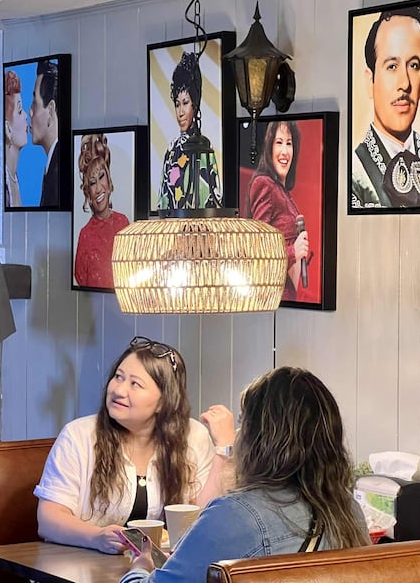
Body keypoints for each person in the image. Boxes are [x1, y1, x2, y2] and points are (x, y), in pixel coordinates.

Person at [120, 366, 371, 583]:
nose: (238, 434)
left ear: (259, 439)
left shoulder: (234, 516)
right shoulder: (348, 510)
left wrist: (140, 567)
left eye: (243, 423)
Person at [34, 336, 235, 555]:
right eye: (118, 377)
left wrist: (224, 448)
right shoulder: (78, 435)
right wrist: (97, 537)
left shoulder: (192, 436)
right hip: (81, 567)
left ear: (164, 401)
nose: (119, 390)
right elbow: (48, 519)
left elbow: (198, 520)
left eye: (135, 384)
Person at [351, 5, 420, 208]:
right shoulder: (355, 172)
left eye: (413, 65)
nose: (405, 83)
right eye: (392, 66)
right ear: (369, 81)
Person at [246, 121, 310, 301]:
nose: (284, 151)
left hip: (286, 295)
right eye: (279, 142)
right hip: (273, 296)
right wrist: (292, 252)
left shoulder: (282, 191)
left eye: (289, 143)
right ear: (269, 147)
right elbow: (257, 249)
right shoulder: (264, 185)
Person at [159, 51, 222, 211]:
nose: (180, 112)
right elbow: (164, 199)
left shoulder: (205, 149)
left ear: (195, 104)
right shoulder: (172, 150)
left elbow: (214, 200)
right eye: (177, 104)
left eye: (185, 103)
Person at [74, 133, 130, 288]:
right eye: (92, 183)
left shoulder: (123, 223)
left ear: (109, 179)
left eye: (101, 177)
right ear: (88, 192)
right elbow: (81, 281)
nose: (98, 188)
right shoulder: (85, 235)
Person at [30, 60, 60, 207]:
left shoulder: (57, 171)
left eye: (34, 103)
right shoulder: (52, 165)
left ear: (50, 110)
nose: (30, 112)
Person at [4, 69, 27, 208]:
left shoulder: (14, 178)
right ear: (7, 129)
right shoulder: (1, 185)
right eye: (19, 110)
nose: (25, 115)